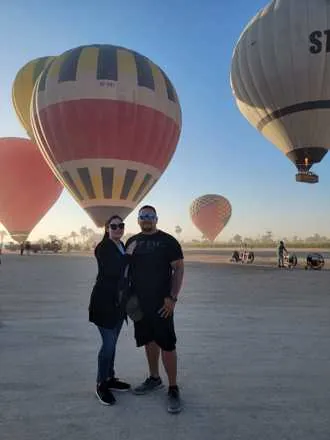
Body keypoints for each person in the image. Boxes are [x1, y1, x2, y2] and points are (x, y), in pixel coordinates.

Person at [125, 205, 184, 414]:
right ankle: (154, 378)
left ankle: (173, 387)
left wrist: (172, 297)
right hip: (140, 304)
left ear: (156, 219)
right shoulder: (132, 242)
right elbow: (124, 270)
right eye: (143, 216)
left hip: (162, 304)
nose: (146, 219)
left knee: (167, 343)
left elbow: (178, 269)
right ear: (138, 220)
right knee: (149, 340)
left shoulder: (168, 241)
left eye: (150, 216)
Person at [88, 215, 130, 405]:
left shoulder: (121, 245)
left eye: (121, 226)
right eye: (114, 226)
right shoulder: (103, 247)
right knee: (108, 345)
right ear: (107, 229)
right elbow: (114, 269)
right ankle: (100, 384)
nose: (118, 229)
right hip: (103, 303)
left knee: (112, 345)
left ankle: (110, 378)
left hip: (119, 304)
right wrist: (130, 255)